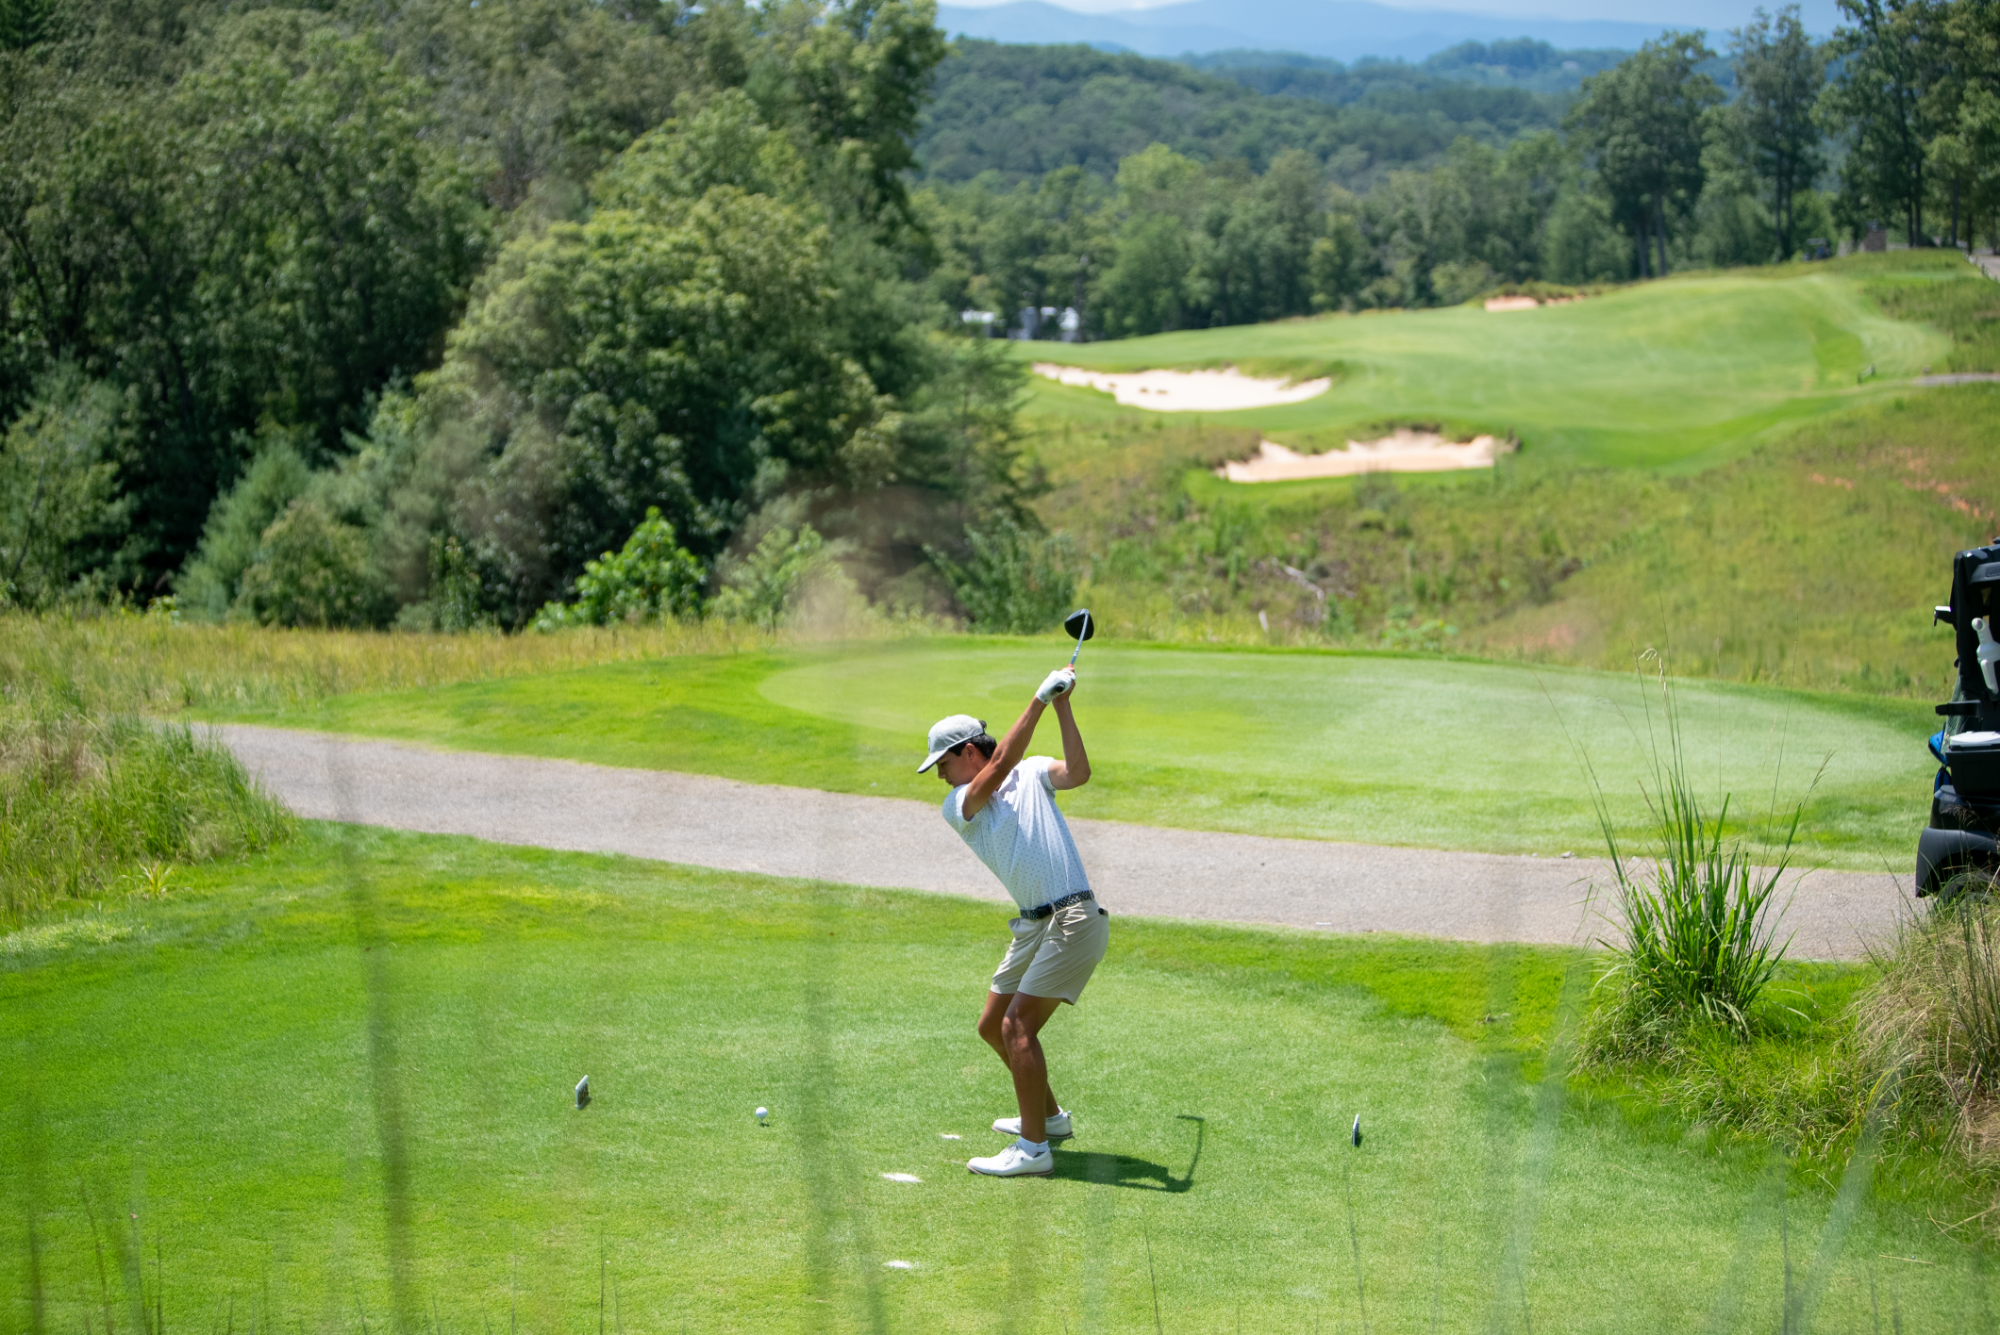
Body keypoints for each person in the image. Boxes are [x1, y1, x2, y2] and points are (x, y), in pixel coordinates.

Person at [918, 663, 1109, 1178]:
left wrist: (1061, 702)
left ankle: (1032, 1150)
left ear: (968, 751)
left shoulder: (1028, 774)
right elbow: (1002, 763)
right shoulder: (959, 804)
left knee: (1017, 1025)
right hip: (1034, 925)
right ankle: (1050, 1120)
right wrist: (1039, 699)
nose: (938, 773)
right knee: (992, 1026)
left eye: (943, 761)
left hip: (1072, 917)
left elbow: (1077, 773)